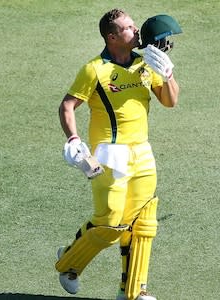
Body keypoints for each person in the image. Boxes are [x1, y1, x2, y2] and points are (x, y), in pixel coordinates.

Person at [56, 8, 181, 300]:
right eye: (128, 28)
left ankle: (134, 292)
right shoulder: (94, 69)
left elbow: (170, 101)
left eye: (134, 25)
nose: (136, 31)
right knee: (111, 222)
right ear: (112, 37)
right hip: (109, 154)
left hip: (143, 152)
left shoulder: (144, 64)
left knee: (143, 223)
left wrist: (169, 74)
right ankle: (68, 263)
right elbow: (67, 106)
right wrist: (73, 139)